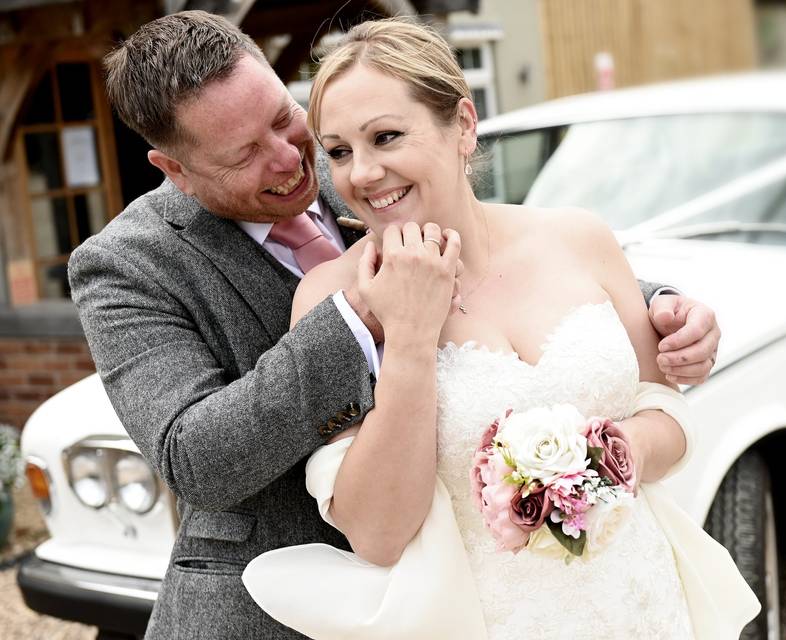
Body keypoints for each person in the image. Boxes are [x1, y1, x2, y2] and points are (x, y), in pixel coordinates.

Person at [69, 11, 721, 639]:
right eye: (245, 153)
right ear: (176, 171)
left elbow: (509, 258)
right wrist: (367, 320)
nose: (294, 161)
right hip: (284, 607)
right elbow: (198, 459)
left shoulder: (351, 153)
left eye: (283, 119)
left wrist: (662, 306)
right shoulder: (125, 266)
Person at [242, 18, 758, 640]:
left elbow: (665, 413)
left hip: (642, 603)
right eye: (341, 152)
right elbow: (376, 533)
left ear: (462, 125)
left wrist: (612, 457)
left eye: (386, 137)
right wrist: (408, 336)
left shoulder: (579, 237)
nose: (363, 174)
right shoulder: (328, 300)